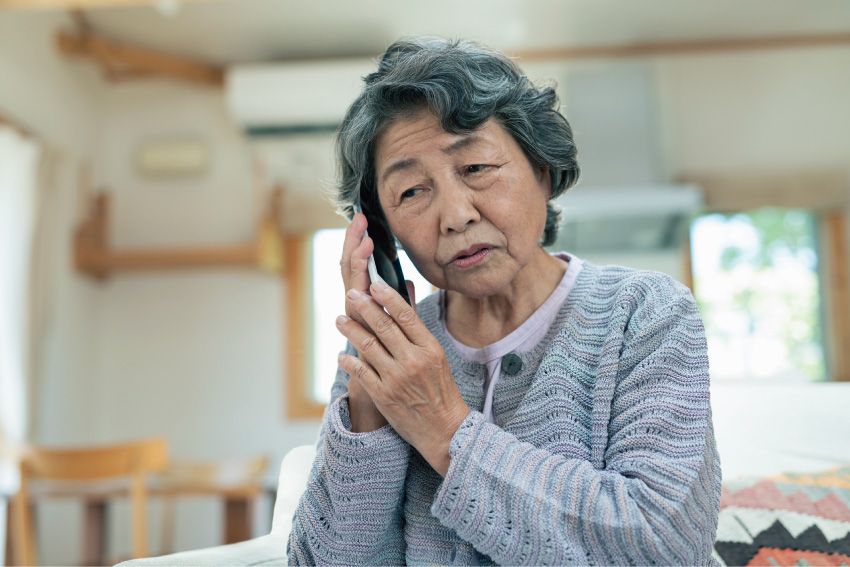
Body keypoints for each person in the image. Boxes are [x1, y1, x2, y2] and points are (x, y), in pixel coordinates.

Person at [287, 37, 721, 566]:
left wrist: (445, 427)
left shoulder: (646, 313)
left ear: (542, 168)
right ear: (382, 232)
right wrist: (370, 406)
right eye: (411, 193)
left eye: (475, 169)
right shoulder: (387, 354)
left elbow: (663, 547)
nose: (455, 215)